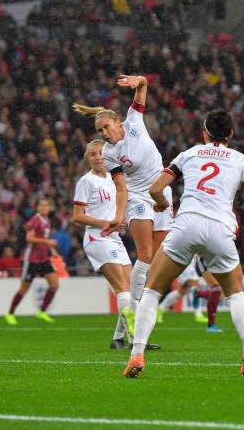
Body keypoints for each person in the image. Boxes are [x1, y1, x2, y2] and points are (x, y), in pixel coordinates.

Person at [123, 108, 244, 378]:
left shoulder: (189, 154)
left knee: (152, 290)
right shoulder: (242, 159)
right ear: (230, 134)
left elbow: (155, 189)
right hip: (220, 229)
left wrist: (161, 205)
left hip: (187, 224)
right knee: (236, 294)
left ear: (203, 132)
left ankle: (137, 353)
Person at [73, 75, 172, 325]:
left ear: (118, 122)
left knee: (158, 261)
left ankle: (130, 313)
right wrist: (119, 216)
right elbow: (120, 188)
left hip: (162, 191)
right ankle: (135, 314)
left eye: (107, 127)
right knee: (146, 255)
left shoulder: (135, 121)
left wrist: (138, 80)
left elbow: (143, 86)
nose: (104, 134)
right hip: (138, 196)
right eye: (100, 131)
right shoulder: (109, 153)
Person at [73, 139, 136, 349]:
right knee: (123, 289)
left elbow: (116, 209)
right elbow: (78, 216)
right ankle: (136, 340)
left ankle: (118, 338)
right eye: (93, 154)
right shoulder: (86, 181)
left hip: (113, 237)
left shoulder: (113, 178)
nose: (98, 157)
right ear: (88, 159)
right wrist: (106, 223)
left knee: (134, 290)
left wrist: (120, 220)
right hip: (96, 237)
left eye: (101, 153)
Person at [4, 199, 60, 325]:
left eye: (47, 205)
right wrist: (47, 242)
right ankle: (10, 313)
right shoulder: (35, 220)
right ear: (38, 208)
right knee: (24, 289)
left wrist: (52, 250)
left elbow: (45, 239)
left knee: (54, 284)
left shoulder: (48, 221)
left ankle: (42, 312)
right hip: (31, 260)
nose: (44, 207)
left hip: (44, 258)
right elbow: (29, 238)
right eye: (42, 205)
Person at [157, 254, 224, 333]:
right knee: (195, 285)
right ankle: (198, 314)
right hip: (185, 258)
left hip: (190, 259)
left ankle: (161, 308)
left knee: (182, 290)